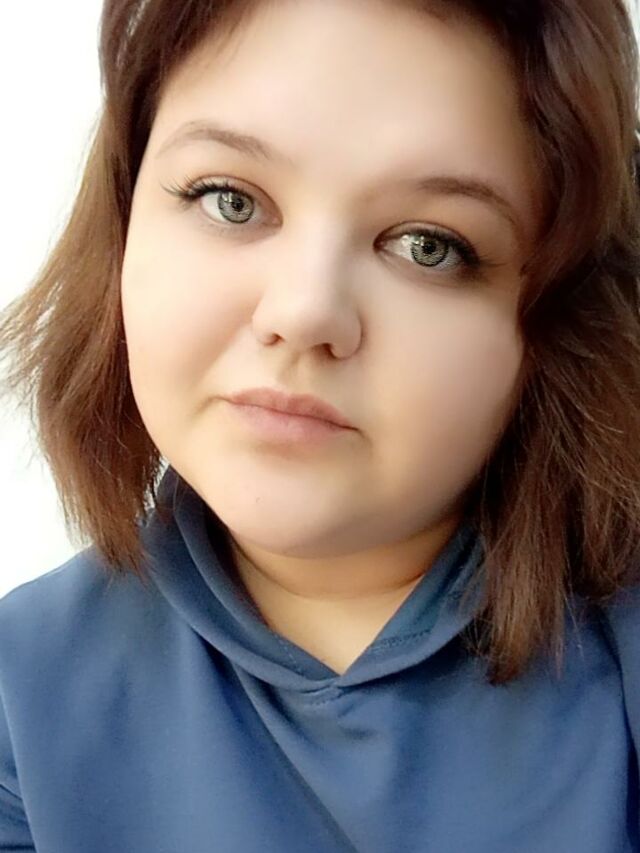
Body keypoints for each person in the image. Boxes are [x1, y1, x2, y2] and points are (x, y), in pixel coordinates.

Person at [1, 0, 639, 849]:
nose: (304, 312)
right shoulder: (23, 693)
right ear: (122, 222)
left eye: (428, 245)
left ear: (559, 318)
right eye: (230, 199)